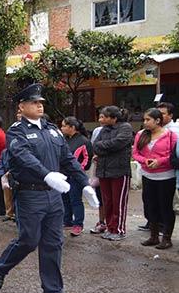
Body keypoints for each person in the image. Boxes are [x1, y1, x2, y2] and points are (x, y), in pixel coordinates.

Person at [0, 84, 98, 293]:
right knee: (28, 240)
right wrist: (47, 175)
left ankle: (52, 291)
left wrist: (84, 183)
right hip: (31, 194)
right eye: (34, 102)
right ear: (22, 106)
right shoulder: (16, 131)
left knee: (53, 243)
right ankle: (1, 266)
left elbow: (67, 158)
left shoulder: (52, 130)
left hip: (54, 195)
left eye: (41, 103)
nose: (39, 106)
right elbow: (23, 156)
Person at [132, 108, 175, 249]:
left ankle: (167, 238)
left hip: (166, 176)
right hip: (148, 175)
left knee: (165, 207)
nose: (145, 122)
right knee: (150, 206)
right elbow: (135, 153)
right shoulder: (141, 134)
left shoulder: (170, 136)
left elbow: (174, 156)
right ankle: (154, 236)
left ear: (157, 121)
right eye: (144, 119)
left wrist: (160, 161)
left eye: (148, 120)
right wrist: (145, 161)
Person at [91, 106, 133, 241]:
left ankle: (119, 229)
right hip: (103, 171)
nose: (101, 119)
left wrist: (103, 147)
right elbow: (95, 145)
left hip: (119, 171)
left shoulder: (125, 127)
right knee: (107, 201)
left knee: (118, 202)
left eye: (104, 116)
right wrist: (106, 147)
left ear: (114, 118)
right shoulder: (103, 129)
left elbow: (118, 144)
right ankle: (110, 227)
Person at [60, 117, 93, 236]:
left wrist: (77, 172)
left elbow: (86, 161)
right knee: (65, 199)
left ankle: (78, 224)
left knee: (75, 200)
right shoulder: (63, 140)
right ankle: (67, 221)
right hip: (63, 175)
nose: (62, 128)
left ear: (72, 127)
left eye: (64, 126)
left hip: (75, 176)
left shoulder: (84, 141)